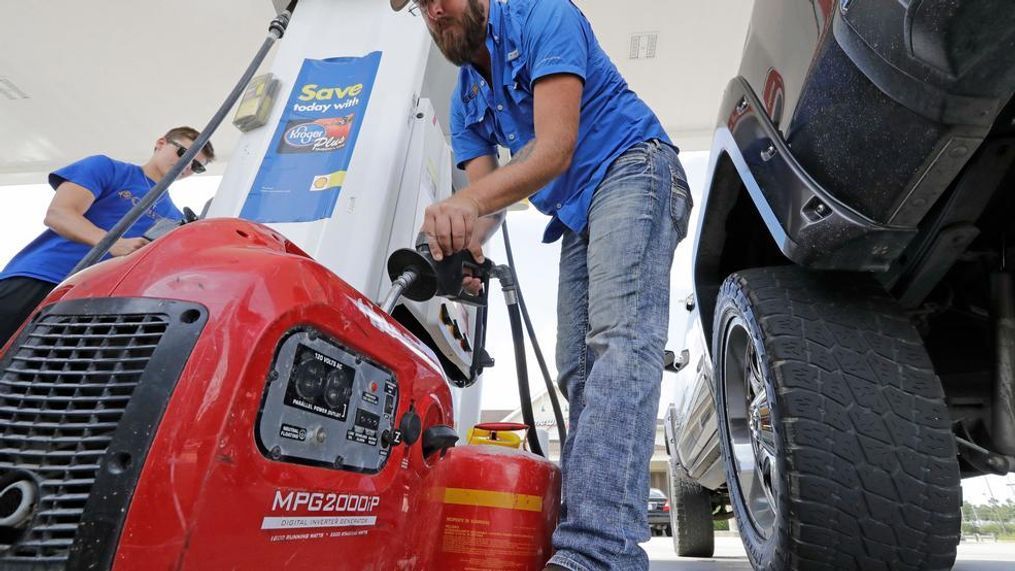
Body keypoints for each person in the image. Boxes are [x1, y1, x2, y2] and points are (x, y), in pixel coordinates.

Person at [405, 0, 692, 568]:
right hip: (580, 213)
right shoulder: (466, 99)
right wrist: (462, 233)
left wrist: (465, 202)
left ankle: (598, 551)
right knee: (577, 368)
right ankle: (591, 540)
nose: (436, 9)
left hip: (634, 165)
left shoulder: (543, 14)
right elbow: (489, 204)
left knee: (619, 344)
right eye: (420, 2)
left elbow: (556, 149)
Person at [0, 126, 214, 347]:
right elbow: (59, 214)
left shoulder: (174, 219)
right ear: (161, 143)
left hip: (87, 307)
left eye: (197, 166)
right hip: (40, 277)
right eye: (185, 154)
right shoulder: (107, 168)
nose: (187, 166)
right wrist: (114, 244)